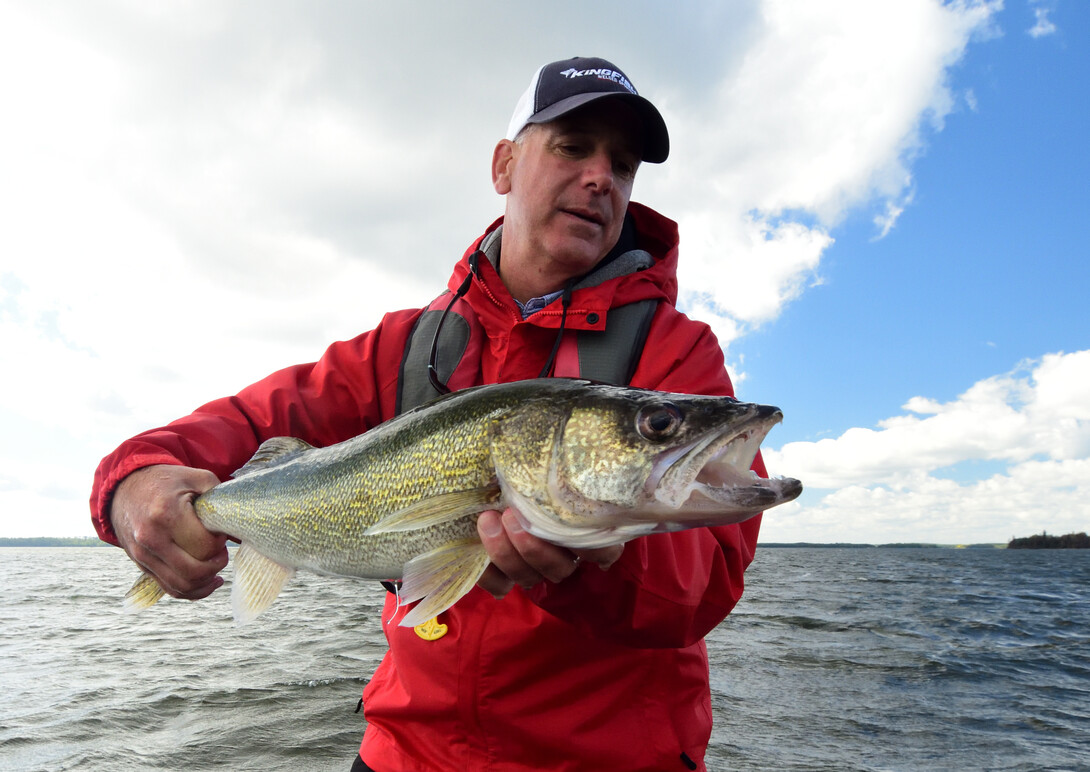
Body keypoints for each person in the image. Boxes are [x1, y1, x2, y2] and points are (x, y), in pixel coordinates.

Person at [91, 56, 766, 772]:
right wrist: (134, 481)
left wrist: (597, 562)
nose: (601, 177)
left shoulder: (677, 353)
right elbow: (247, 422)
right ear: (504, 165)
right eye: (572, 146)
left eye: (623, 164)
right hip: (408, 751)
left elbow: (704, 584)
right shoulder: (404, 346)